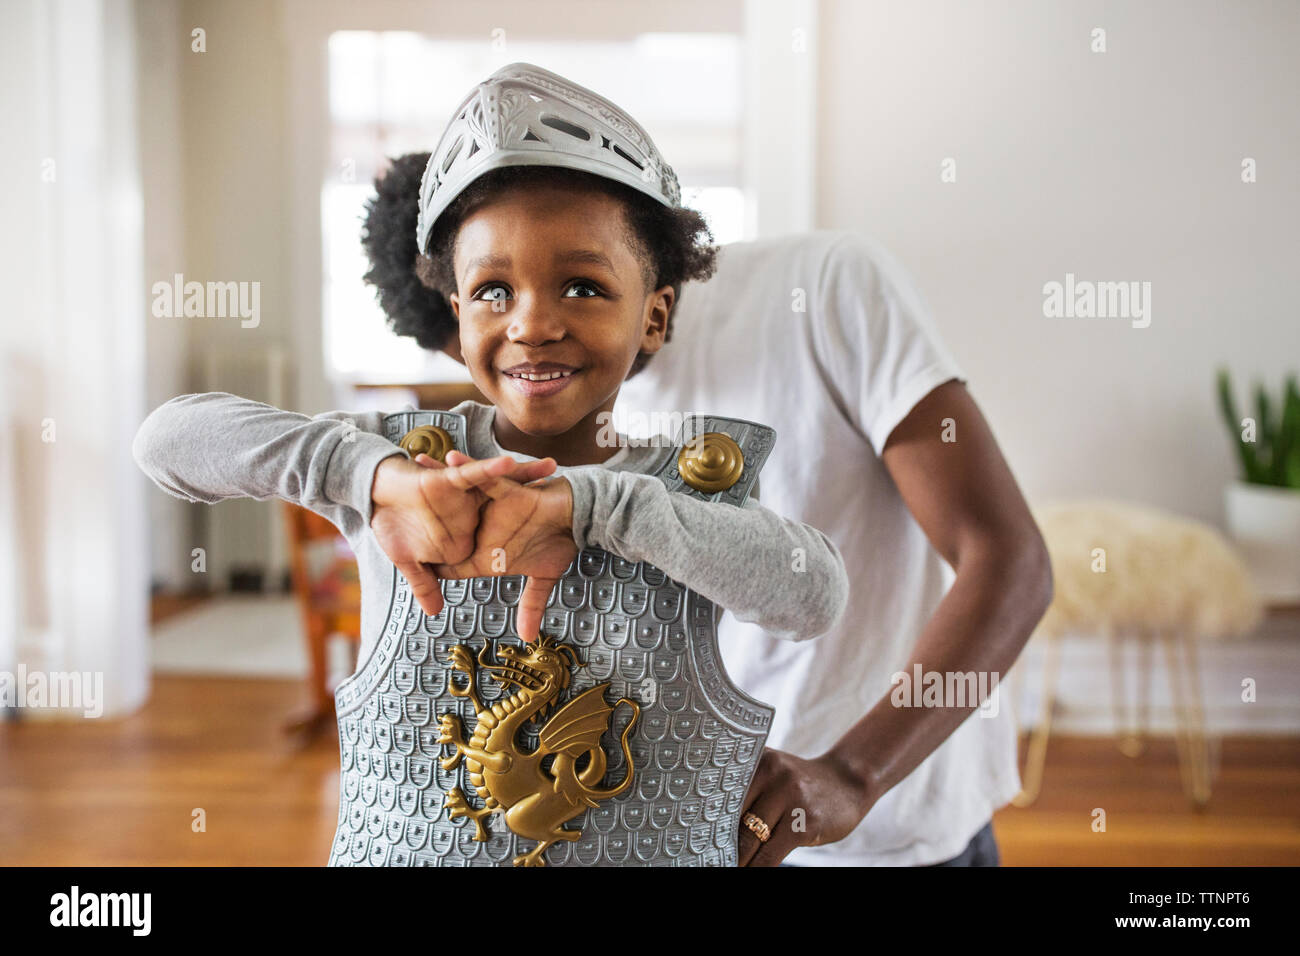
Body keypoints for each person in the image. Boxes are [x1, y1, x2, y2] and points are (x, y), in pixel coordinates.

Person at [133, 63, 850, 866]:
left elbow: (813, 594)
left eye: (582, 285)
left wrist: (598, 509)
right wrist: (361, 475)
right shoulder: (405, 474)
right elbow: (165, 440)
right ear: (456, 308)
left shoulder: (685, 495)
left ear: (656, 312)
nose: (533, 323)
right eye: (493, 291)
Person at [361, 141, 1052, 866]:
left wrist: (853, 772)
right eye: (485, 313)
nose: (526, 351)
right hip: (708, 835)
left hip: (891, 825)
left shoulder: (825, 289)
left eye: (566, 286)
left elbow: (1009, 560)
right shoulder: (525, 423)